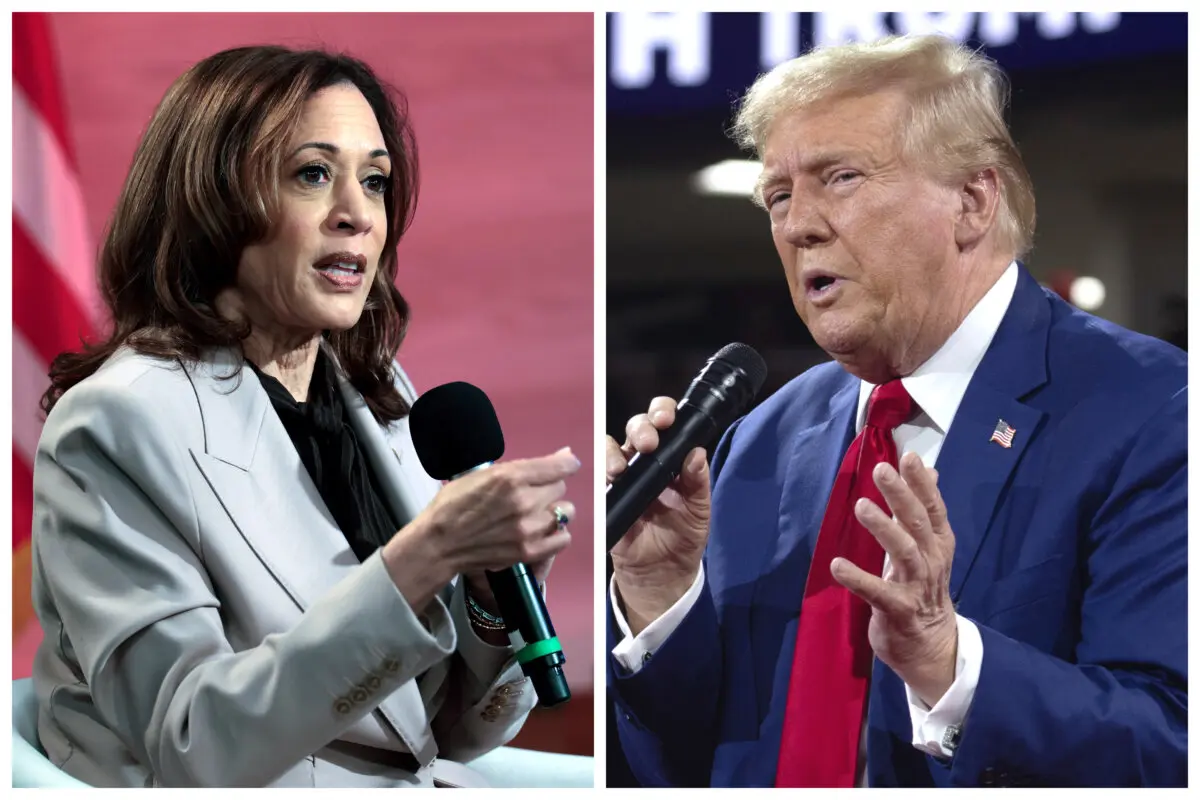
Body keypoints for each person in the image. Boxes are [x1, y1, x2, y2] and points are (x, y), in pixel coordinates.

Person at [605, 34, 1186, 788]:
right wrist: (660, 596)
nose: (797, 225)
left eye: (839, 178)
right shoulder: (763, 437)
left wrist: (952, 666)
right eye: (778, 196)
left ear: (974, 201)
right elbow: (698, 758)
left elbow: (1171, 743)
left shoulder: (1152, 410)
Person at [31, 45, 581, 789]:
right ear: (214, 201)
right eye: (313, 174)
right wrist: (419, 561)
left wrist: (487, 608)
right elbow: (194, 743)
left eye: (376, 181)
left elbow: (439, 736)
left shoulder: (376, 392)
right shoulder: (114, 426)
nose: (357, 215)